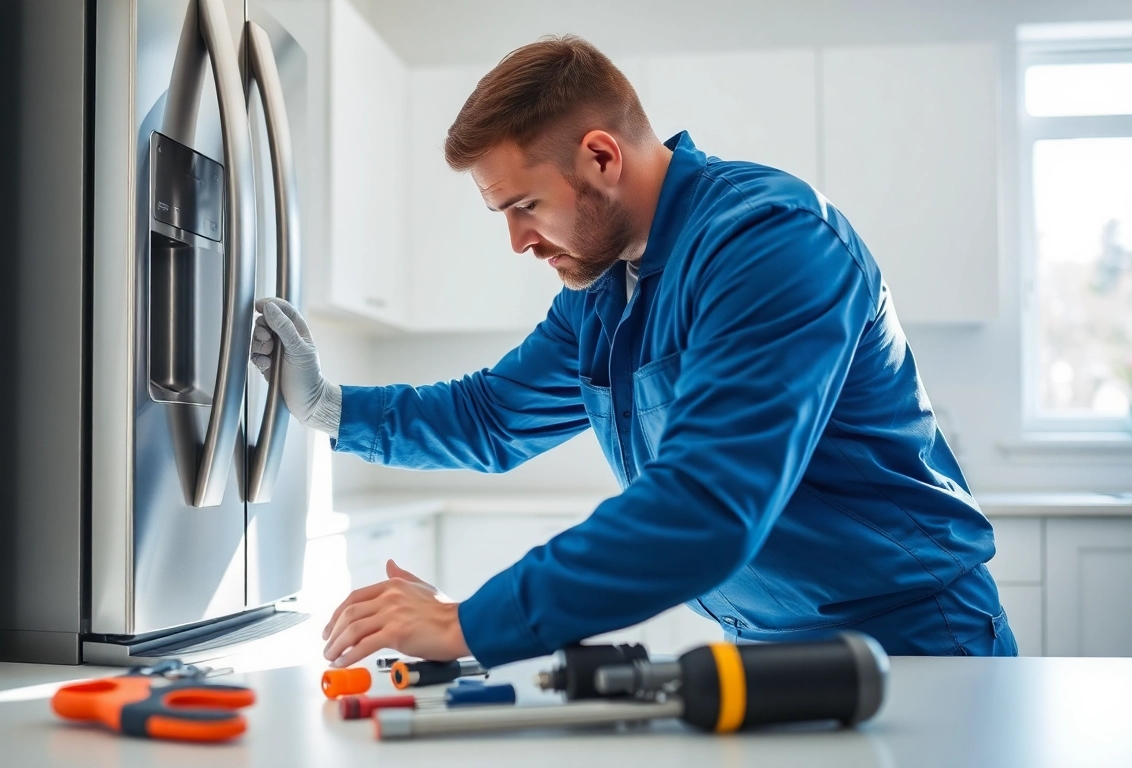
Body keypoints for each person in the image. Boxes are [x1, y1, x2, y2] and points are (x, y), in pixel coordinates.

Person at [251, 36, 1017, 669]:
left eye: (524, 205)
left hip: (915, 647)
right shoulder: (602, 292)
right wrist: (326, 406)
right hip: (762, 649)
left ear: (601, 157)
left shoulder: (772, 243)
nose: (518, 240)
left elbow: (706, 502)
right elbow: (491, 416)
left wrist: (467, 625)